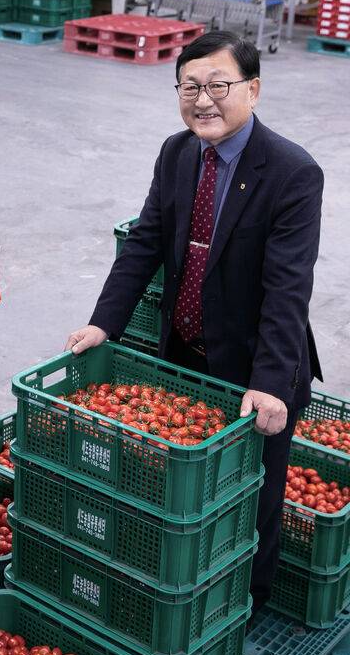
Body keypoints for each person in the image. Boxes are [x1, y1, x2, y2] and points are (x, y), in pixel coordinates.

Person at [66, 30, 323, 617]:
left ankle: (241, 613)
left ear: (252, 90)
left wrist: (269, 382)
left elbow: (289, 290)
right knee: (180, 492)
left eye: (219, 86)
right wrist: (104, 323)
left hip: (255, 366)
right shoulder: (177, 152)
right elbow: (147, 242)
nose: (203, 100)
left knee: (251, 496)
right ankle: (175, 597)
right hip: (184, 354)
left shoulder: (291, 172)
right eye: (190, 87)